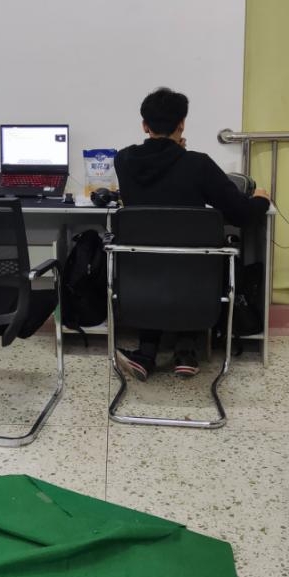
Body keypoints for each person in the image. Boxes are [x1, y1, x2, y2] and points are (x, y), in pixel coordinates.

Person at [113, 87, 271, 380]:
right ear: (182, 124)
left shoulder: (123, 160)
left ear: (145, 125)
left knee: (156, 258)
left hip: (140, 274)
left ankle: (146, 352)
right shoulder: (198, 165)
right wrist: (261, 198)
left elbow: (158, 174)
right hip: (195, 279)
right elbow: (242, 214)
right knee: (193, 258)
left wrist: (176, 153)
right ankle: (186, 352)